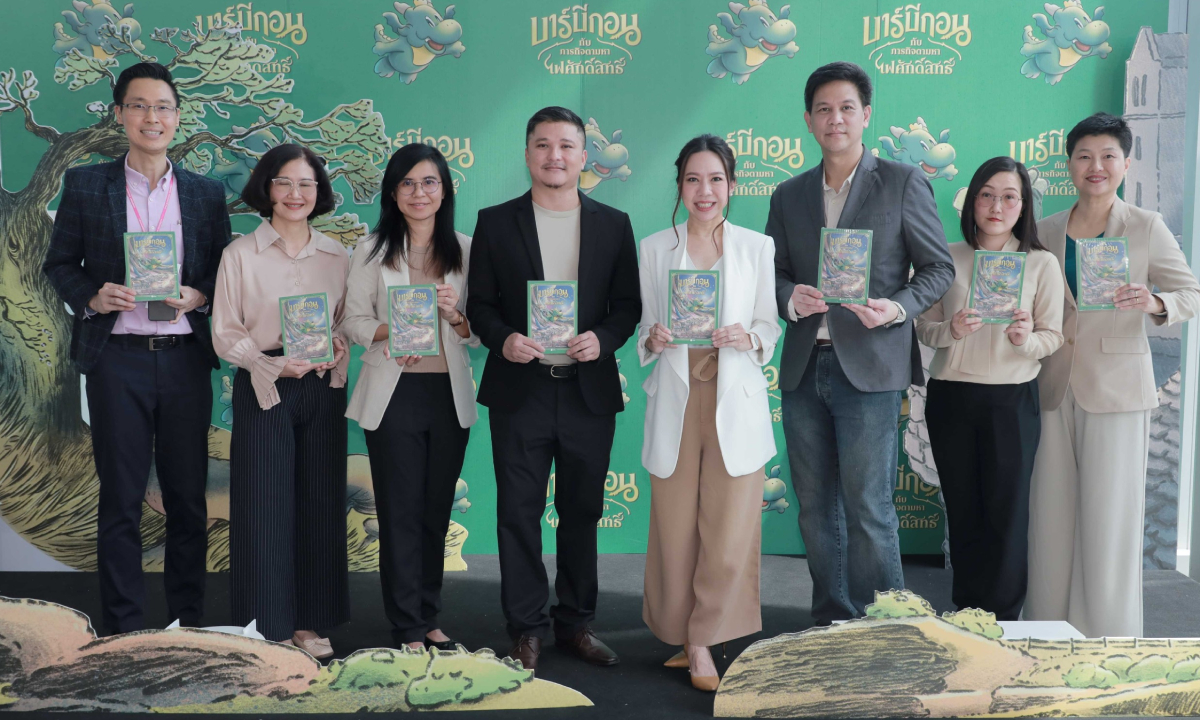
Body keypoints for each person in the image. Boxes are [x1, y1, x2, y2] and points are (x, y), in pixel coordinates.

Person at [42, 62, 229, 636]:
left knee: (187, 499)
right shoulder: (86, 184)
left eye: (163, 106)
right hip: (116, 361)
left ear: (177, 116)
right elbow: (59, 264)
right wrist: (92, 297)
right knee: (121, 498)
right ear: (120, 113)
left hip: (184, 361)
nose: (153, 117)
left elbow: (222, 273)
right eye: (140, 105)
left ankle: (186, 624)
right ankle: (123, 628)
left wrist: (198, 295)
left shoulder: (204, 193)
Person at [766, 61, 954, 624]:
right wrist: (788, 298)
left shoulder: (902, 181)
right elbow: (773, 272)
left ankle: (886, 628)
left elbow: (938, 269)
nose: (836, 119)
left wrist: (895, 309)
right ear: (808, 120)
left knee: (869, 507)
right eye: (823, 109)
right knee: (814, 510)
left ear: (866, 115)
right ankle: (832, 621)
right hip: (804, 367)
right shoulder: (788, 194)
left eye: (847, 108)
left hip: (871, 368)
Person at [465, 106, 641, 671]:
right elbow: (479, 305)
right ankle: (526, 628)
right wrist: (504, 339)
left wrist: (603, 339)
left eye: (566, 145)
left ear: (584, 156)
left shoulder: (614, 224)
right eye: (543, 145)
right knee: (518, 514)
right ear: (527, 154)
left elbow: (628, 306)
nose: (554, 156)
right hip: (522, 391)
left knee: (582, 511)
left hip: (588, 391)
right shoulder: (495, 222)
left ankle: (577, 624)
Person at [1025, 113, 1200, 638]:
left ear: (1125, 163)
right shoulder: (1045, 230)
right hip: (1051, 385)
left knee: (1109, 520)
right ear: (1069, 165)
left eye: (1107, 156)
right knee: (1049, 516)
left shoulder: (1145, 225)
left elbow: (1190, 293)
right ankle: (1045, 631)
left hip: (1119, 390)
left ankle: (1106, 636)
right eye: (1084, 156)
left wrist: (1155, 302)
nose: (1095, 166)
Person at [638, 135, 780, 691]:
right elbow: (645, 330)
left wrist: (749, 337)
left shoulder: (756, 247)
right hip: (677, 399)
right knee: (675, 529)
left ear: (732, 185)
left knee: (729, 528)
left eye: (716, 179)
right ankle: (682, 634)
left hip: (734, 399)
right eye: (693, 179)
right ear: (679, 186)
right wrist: (653, 338)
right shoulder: (655, 248)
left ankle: (703, 641)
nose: (705, 190)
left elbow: (770, 323)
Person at [211, 144, 350, 656]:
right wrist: (267, 364)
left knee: (320, 502)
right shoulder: (239, 254)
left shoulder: (338, 255)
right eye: (285, 182)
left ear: (320, 192)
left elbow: (346, 321)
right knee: (263, 506)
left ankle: (310, 622)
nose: (296, 193)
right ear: (266, 188)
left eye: (307, 184)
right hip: (264, 383)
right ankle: (267, 625)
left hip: (322, 385)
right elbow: (225, 331)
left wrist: (338, 344)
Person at [343, 143, 478, 652]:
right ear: (393, 192)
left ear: (444, 191)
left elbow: (478, 332)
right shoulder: (371, 249)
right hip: (393, 392)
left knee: (435, 511)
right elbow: (353, 321)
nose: (418, 193)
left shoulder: (466, 249)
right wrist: (391, 331)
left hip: (448, 394)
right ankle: (405, 625)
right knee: (399, 512)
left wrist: (455, 315)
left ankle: (428, 614)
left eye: (429, 182)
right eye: (407, 183)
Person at [915, 157, 1064, 620]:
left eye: (1009, 197)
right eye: (987, 195)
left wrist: (1025, 340)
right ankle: (967, 613)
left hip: (1011, 400)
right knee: (963, 512)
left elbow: (1053, 336)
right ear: (972, 201)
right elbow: (923, 327)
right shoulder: (945, 257)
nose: (997, 206)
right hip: (952, 398)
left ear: (1024, 205)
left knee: (1007, 514)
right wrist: (952, 330)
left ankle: (1003, 620)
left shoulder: (1040, 263)